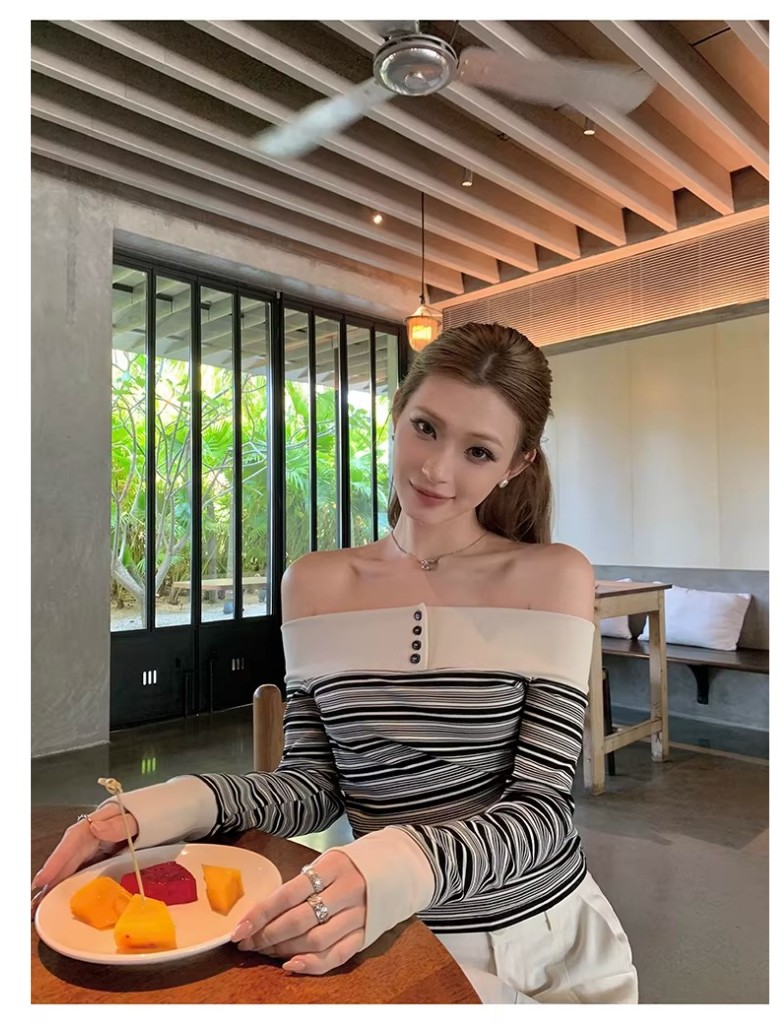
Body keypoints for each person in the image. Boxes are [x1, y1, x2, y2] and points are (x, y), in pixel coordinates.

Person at [33, 321, 638, 1003]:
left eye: (478, 451)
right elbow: (312, 786)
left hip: (538, 942)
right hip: (383, 933)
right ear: (397, 411)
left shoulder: (553, 575)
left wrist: (401, 865)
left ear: (517, 464)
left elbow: (543, 810)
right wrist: (172, 806)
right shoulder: (315, 584)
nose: (437, 469)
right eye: (426, 428)